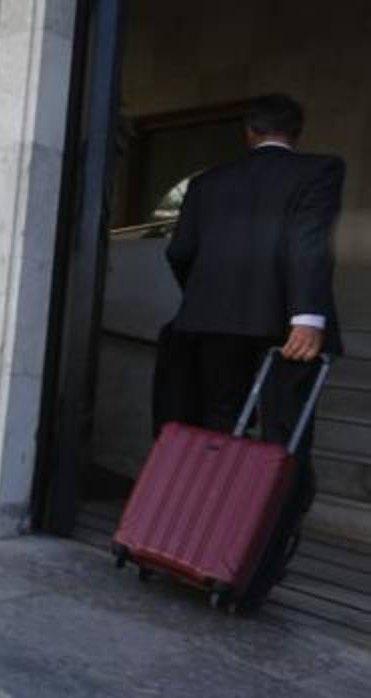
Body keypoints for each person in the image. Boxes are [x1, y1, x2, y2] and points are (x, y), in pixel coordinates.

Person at [161, 93, 344, 606]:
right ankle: (258, 565)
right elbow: (309, 239)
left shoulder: (206, 183)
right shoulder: (321, 170)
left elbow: (181, 252)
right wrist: (308, 315)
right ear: (298, 130)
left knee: (218, 429)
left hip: (213, 325)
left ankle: (208, 551)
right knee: (285, 440)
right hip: (287, 329)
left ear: (248, 132)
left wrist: (210, 299)